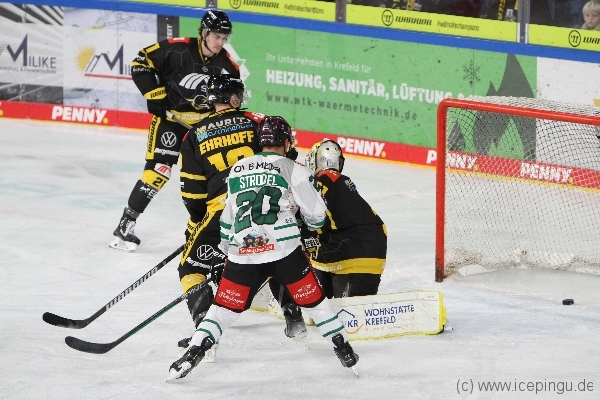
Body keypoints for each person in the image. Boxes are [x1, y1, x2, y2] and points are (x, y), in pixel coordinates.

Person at [168, 116, 359, 380]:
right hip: (285, 253)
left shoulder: (238, 168)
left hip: (243, 253)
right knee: (315, 303)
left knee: (222, 310)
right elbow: (317, 216)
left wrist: (226, 251)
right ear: (286, 142)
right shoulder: (294, 168)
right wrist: (303, 219)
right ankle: (344, 349)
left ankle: (194, 352)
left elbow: (227, 219)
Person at [175, 75, 306, 360]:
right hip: (266, 205)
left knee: (191, 269)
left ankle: (205, 330)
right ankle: (293, 315)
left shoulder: (193, 135)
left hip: (221, 211)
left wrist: (198, 224)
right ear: (233, 98)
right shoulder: (257, 121)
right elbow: (287, 157)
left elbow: (193, 195)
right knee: (275, 253)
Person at [109, 10, 240, 251]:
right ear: (204, 33)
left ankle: (211, 230)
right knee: (158, 171)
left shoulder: (227, 65)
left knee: (213, 177)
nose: (220, 43)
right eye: (216, 37)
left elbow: (232, 100)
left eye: (224, 38)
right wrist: (155, 95)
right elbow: (141, 62)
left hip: (202, 128)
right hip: (170, 122)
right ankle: (125, 226)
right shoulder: (177, 49)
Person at [302, 140, 387, 298]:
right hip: (368, 246)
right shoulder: (339, 181)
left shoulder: (320, 181)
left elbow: (311, 219)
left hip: (354, 252)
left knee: (336, 308)